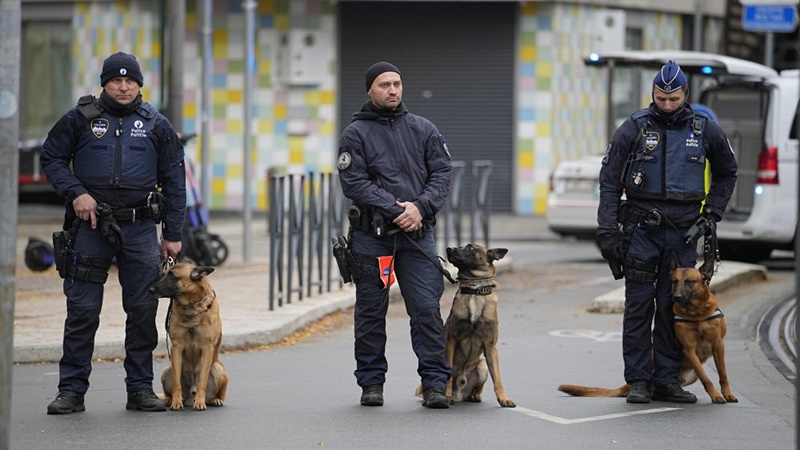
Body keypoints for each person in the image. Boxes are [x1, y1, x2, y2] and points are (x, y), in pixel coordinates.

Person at [40, 52, 187, 414]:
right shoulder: (80, 118)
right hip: (90, 227)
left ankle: (139, 389)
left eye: (130, 81)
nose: (123, 86)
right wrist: (77, 193)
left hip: (139, 228)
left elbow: (174, 180)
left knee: (141, 310)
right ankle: (71, 390)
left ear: (139, 84)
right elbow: (52, 157)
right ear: (104, 83)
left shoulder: (156, 124)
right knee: (83, 310)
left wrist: (173, 232)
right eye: (116, 80)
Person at [596, 60, 738, 404]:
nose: (667, 106)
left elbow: (727, 173)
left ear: (684, 96)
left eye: (674, 100)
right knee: (639, 308)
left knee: (673, 307)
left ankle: (666, 380)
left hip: (684, 234)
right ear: (653, 95)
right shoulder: (634, 127)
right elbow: (610, 180)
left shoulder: (705, 129)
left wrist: (711, 215)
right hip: (642, 231)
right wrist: (606, 231)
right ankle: (639, 380)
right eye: (661, 99)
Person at [336, 61, 453, 409]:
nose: (392, 90)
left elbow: (442, 173)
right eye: (384, 84)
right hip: (372, 237)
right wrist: (396, 209)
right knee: (371, 311)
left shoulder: (423, 129)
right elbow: (353, 182)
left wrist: (419, 207)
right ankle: (371, 384)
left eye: (397, 84)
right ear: (370, 90)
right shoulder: (354, 135)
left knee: (426, 310)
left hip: (417, 236)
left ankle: (434, 383)